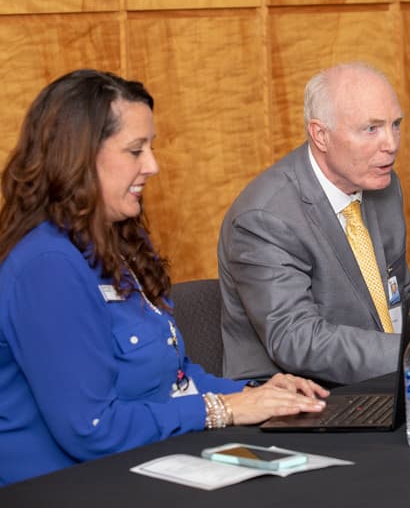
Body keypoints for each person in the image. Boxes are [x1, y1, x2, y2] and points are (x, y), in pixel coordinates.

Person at [0, 70, 328, 486]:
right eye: (135, 150)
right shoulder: (47, 266)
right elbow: (92, 429)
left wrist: (252, 393)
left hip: (138, 467)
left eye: (150, 148)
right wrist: (223, 410)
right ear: (77, 157)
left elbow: (171, 378)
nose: (152, 166)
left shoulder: (116, 240)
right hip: (65, 486)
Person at [218, 62, 410, 385]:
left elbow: (396, 295)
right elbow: (297, 340)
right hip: (292, 398)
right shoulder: (265, 217)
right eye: (371, 129)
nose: (391, 144)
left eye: (395, 125)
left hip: (379, 381)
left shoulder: (383, 187)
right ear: (320, 135)